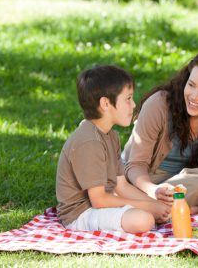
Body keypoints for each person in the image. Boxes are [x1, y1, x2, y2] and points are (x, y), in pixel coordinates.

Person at [56, 65, 171, 233]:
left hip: (101, 205)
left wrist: (155, 204)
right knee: (143, 219)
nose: (133, 105)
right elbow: (99, 200)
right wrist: (148, 207)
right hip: (80, 214)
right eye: (128, 99)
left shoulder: (111, 136)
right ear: (105, 103)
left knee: (155, 211)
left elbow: (121, 186)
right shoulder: (89, 141)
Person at [122, 51, 198, 213]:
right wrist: (153, 190)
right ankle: (176, 209)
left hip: (181, 185)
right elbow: (135, 164)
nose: (194, 97)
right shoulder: (159, 104)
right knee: (121, 188)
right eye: (191, 85)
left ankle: (154, 209)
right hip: (142, 180)